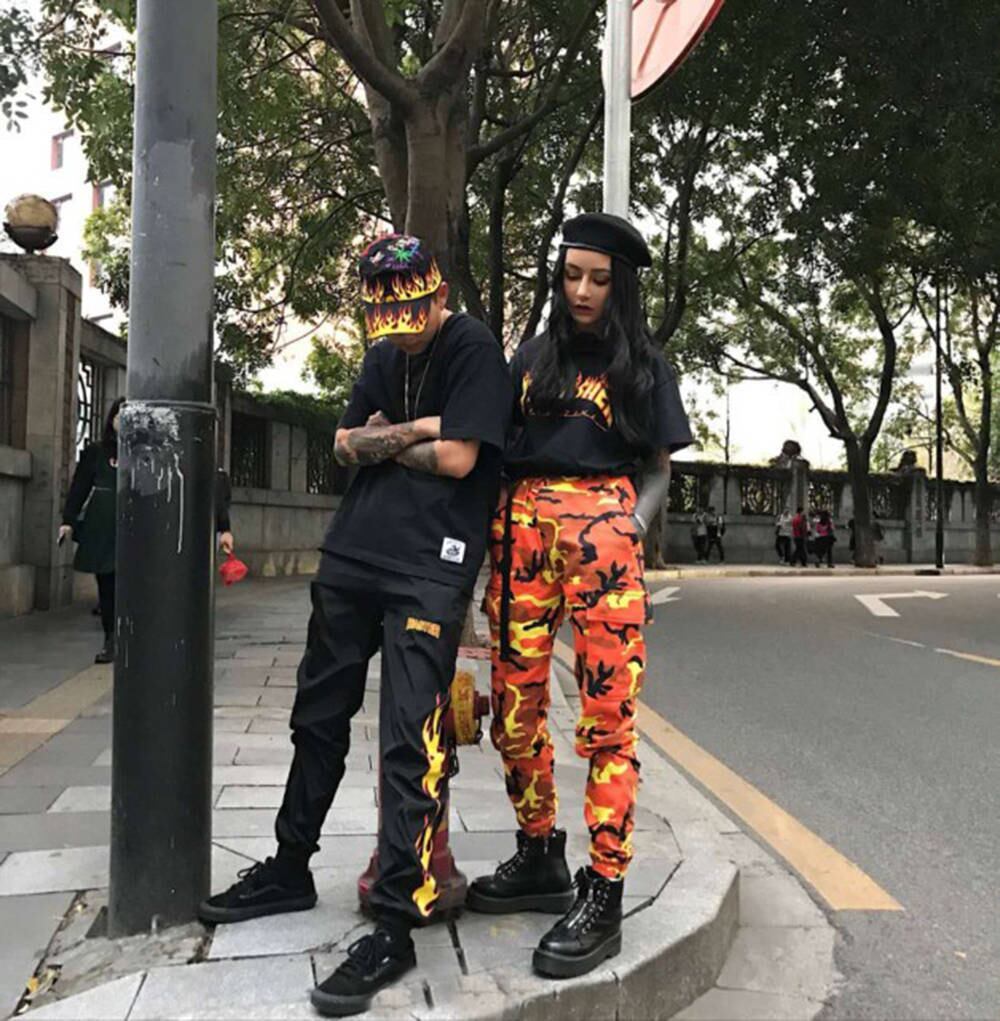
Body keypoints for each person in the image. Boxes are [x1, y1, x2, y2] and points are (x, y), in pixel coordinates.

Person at [198, 234, 511, 1017]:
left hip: (431, 566)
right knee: (318, 712)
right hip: (354, 554)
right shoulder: (382, 352)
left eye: (413, 320)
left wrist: (394, 436)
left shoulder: (474, 349)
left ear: (440, 298)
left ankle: (396, 920)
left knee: (411, 734)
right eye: (388, 325)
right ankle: (289, 863)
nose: (400, 338)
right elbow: (344, 444)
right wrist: (422, 430)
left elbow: (461, 459)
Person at [469, 213, 693, 979]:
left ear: (619, 285)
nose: (582, 291)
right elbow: (494, 455)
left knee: (608, 718)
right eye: (571, 276)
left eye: (598, 279)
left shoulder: (644, 367)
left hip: (605, 538)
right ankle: (539, 852)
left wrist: (629, 526)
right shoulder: (531, 359)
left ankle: (604, 886)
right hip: (520, 534)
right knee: (514, 704)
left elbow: (658, 467)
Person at [60, 398, 125, 664]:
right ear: (112, 419)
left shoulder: (146, 451)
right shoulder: (96, 452)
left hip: (135, 529)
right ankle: (111, 639)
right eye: (120, 415)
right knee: (107, 584)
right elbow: (79, 487)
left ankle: (132, 635)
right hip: (103, 526)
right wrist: (68, 520)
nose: (124, 420)